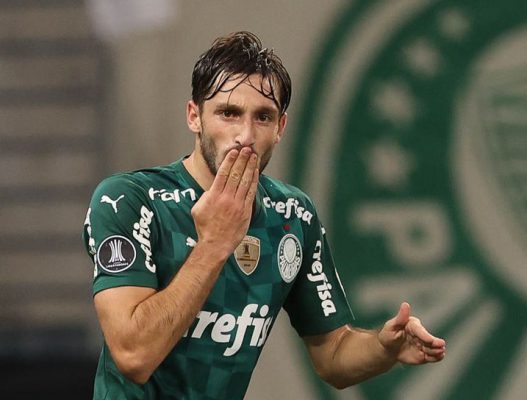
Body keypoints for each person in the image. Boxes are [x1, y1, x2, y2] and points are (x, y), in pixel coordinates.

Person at [82, 31, 445, 399]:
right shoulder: (129, 200)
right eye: (228, 113)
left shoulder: (292, 216)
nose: (245, 134)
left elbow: (333, 355)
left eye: (263, 117)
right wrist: (214, 243)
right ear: (195, 117)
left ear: (281, 128)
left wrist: (384, 350)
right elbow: (134, 355)